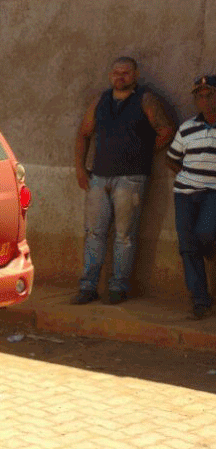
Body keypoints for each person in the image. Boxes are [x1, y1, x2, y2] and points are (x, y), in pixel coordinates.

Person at [72, 57, 175, 305]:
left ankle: (118, 287)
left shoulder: (145, 99)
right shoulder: (101, 100)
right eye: (116, 72)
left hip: (131, 178)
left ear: (135, 75)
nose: (121, 77)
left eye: (126, 72)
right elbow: (84, 133)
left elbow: (166, 130)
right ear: (111, 75)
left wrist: (142, 154)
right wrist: (80, 169)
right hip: (99, 177)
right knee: (93, 233)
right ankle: (88, 287)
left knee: (124, 235)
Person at [167, 75, 216, 319]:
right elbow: (171, 158)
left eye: (210, 95)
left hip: (213, 193)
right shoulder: (187, 128)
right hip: (184, 194)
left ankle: (209, 248)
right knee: (187, 246)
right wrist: (186, 176)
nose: (205, 101)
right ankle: (200, 300)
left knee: (206, 234)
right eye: (200, 97)